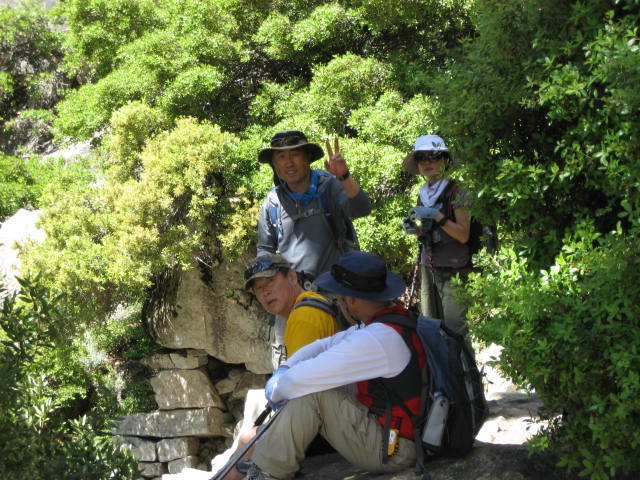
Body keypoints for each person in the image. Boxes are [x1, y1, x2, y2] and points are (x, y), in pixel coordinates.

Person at [242, 251, 427, 480]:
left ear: (351, 300)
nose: (338, 303)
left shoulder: (376, 340)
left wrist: (278, 386)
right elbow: (325, 344)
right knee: (312, 392)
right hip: (395, 435)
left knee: (313, 396)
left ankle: (267, 473)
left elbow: (297, 383)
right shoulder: (387, 323)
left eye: (339, 298)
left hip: (395, 449)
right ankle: (267, 467)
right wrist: (285, 369)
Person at [221, 253, 345, 480]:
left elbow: (300, 389)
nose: (265, 291)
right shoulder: (310, 306)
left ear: (291, 277)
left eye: (270, 282)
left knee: (249, 440)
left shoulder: (305, 316)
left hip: (327, 426)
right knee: (249, 437)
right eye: (258, 289)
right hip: (332, 415)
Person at [256, 129, 372, 366]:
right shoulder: (272, 202)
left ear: (308, 158)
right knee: (292, 367)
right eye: (280, 157)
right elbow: (264, 251)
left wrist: (344, 176)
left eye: (295, 155)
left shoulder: (329, 186)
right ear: (274, 164)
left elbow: (361, 209)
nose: (288, 163)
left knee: (342, 366)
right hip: (292, 301)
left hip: (336, 297)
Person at [401, 134, 472, 336]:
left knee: (455, 328)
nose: (427, 162)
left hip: (454, 269)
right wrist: (414, 230)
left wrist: (437, 216)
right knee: (431, 326)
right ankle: (441, 368)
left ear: (444, 160)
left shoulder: (457, 191)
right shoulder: (423, 194)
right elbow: (427, 234)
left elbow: (463, 235)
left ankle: (464, 367)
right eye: (421, 158)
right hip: (428, 267)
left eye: (433, 156)